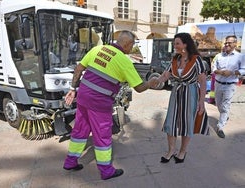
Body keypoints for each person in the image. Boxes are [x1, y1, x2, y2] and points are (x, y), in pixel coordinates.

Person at [63, 30, 157, 180]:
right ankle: (106, 171)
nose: (132, 48)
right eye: (132, 45)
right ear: (127, 44)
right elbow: (139, 87)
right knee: (102, 136)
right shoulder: (124, 61)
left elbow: (79, 69)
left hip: (83, 97)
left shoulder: (97, 49)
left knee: (80, 130)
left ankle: (70, 162)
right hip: (99, 103)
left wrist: (73, 89)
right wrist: (151, 83)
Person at [154, 32, 209, 164]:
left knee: (187, 122)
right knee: (170, 122)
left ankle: (183, 151)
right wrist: (153, 81)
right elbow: (165, 76)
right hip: (176, 93)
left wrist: (201, 102)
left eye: (177, 43)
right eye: (174, 43)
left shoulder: (196, 60)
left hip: (190, 93)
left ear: (185, 44)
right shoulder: (174, 59)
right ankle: (171, 150)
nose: (175, 46)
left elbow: (202, 82)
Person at [212, 35, 245, 138]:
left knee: (225, 105)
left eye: (229, 43)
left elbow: (244, 69)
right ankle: (225, 115)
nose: (226, 44)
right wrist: (220, 72)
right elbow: (213, 68)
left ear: (235, 44)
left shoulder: (240, 57)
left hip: (230, 86)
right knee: (218, 104)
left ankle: (220, 126)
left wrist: (232, 72)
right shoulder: (218, 56)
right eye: (226, 43)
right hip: (218, 84)